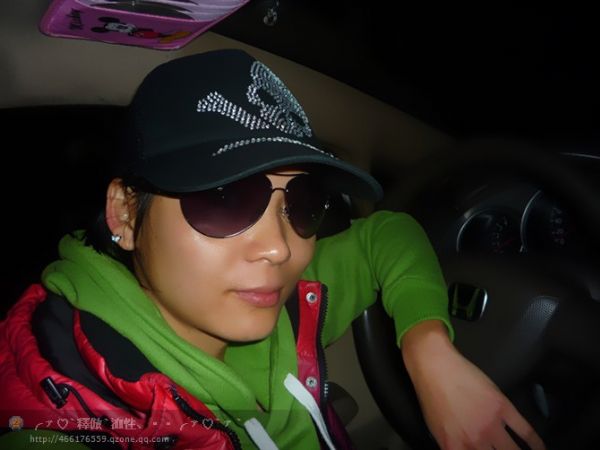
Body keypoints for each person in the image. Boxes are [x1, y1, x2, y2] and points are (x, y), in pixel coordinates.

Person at [0, 49, 544, 450]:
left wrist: (428, 349)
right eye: (222, 198)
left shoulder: (281, 301)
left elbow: (387, 233)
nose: (279, 249)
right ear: (124, 213)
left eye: (302, 203)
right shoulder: (63, 419)